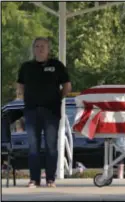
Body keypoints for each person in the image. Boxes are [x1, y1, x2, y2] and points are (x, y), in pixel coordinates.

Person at [16, 37, 72, 188]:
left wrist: (57, 98)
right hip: (31, 111)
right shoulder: (26, 67)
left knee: (51, 146)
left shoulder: (57, 65)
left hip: (51, 111)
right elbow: (20, 86)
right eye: (37, 46)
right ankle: (34, 179)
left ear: (48, 49)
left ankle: (50, 179)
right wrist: (26, 97)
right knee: (33, 146)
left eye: (43, 46)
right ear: (33, 49)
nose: (40, 49)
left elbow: (67, 86)